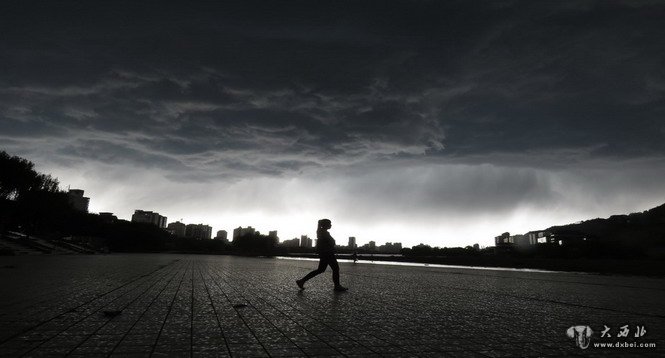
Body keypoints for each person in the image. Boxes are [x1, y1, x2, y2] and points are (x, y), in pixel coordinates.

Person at [296, 219, 348, 291]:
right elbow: (327, 243)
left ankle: (301, 281)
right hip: (328, 254)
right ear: (325, 225)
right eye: (329, 223)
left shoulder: (323, 232)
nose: (331, 225)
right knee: (335, 269)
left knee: (320, 270)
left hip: (326, 253)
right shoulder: (322, 232)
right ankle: (337, 286)